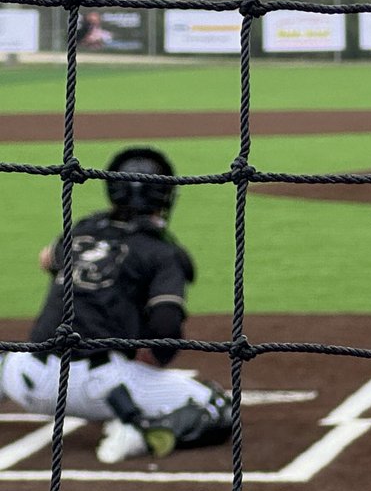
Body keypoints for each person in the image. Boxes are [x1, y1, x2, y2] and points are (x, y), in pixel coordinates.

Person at [0, 147, 233, 464]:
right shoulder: (161, 253)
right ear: (163, 196)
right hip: (104, 389)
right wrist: (153, 356)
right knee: (218, 408)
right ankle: (136, 430)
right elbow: (166, 323)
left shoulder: (83, 229)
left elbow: (46, 259)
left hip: (27, 379)